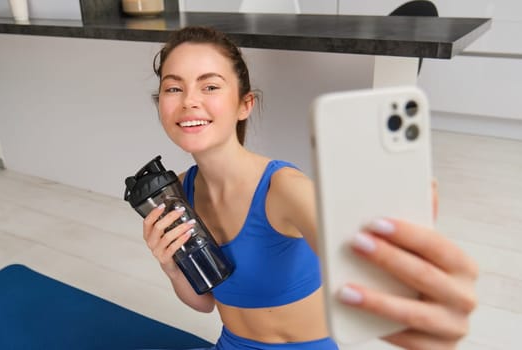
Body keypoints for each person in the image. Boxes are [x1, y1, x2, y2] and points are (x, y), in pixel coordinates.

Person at [141, 26, 478, 349]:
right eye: (174, 88)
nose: (189, 101)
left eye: (210, 86)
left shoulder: (286, 189)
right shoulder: (180, 191)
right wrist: (170, 267)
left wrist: (419, 291)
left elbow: (365, 271)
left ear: (245, 104)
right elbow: (205, 303)